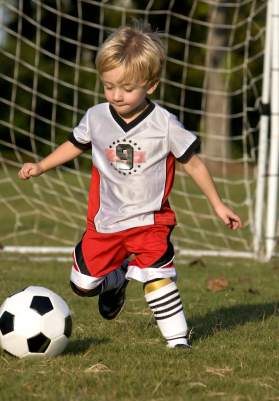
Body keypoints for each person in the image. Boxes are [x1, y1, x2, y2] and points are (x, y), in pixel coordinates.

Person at [18, 18, 242, 349]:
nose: (117, 95)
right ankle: (116, 280)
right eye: (109, 86)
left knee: (159, 279)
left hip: (150, 221)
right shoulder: (95, 116)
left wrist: (218, 204)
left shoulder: (165, 124)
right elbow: (76, 145)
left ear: (151, 85)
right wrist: (41, 165)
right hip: (105, 222)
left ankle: (178, 342)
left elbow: (193, 164)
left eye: (127, 88)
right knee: (82, 285)